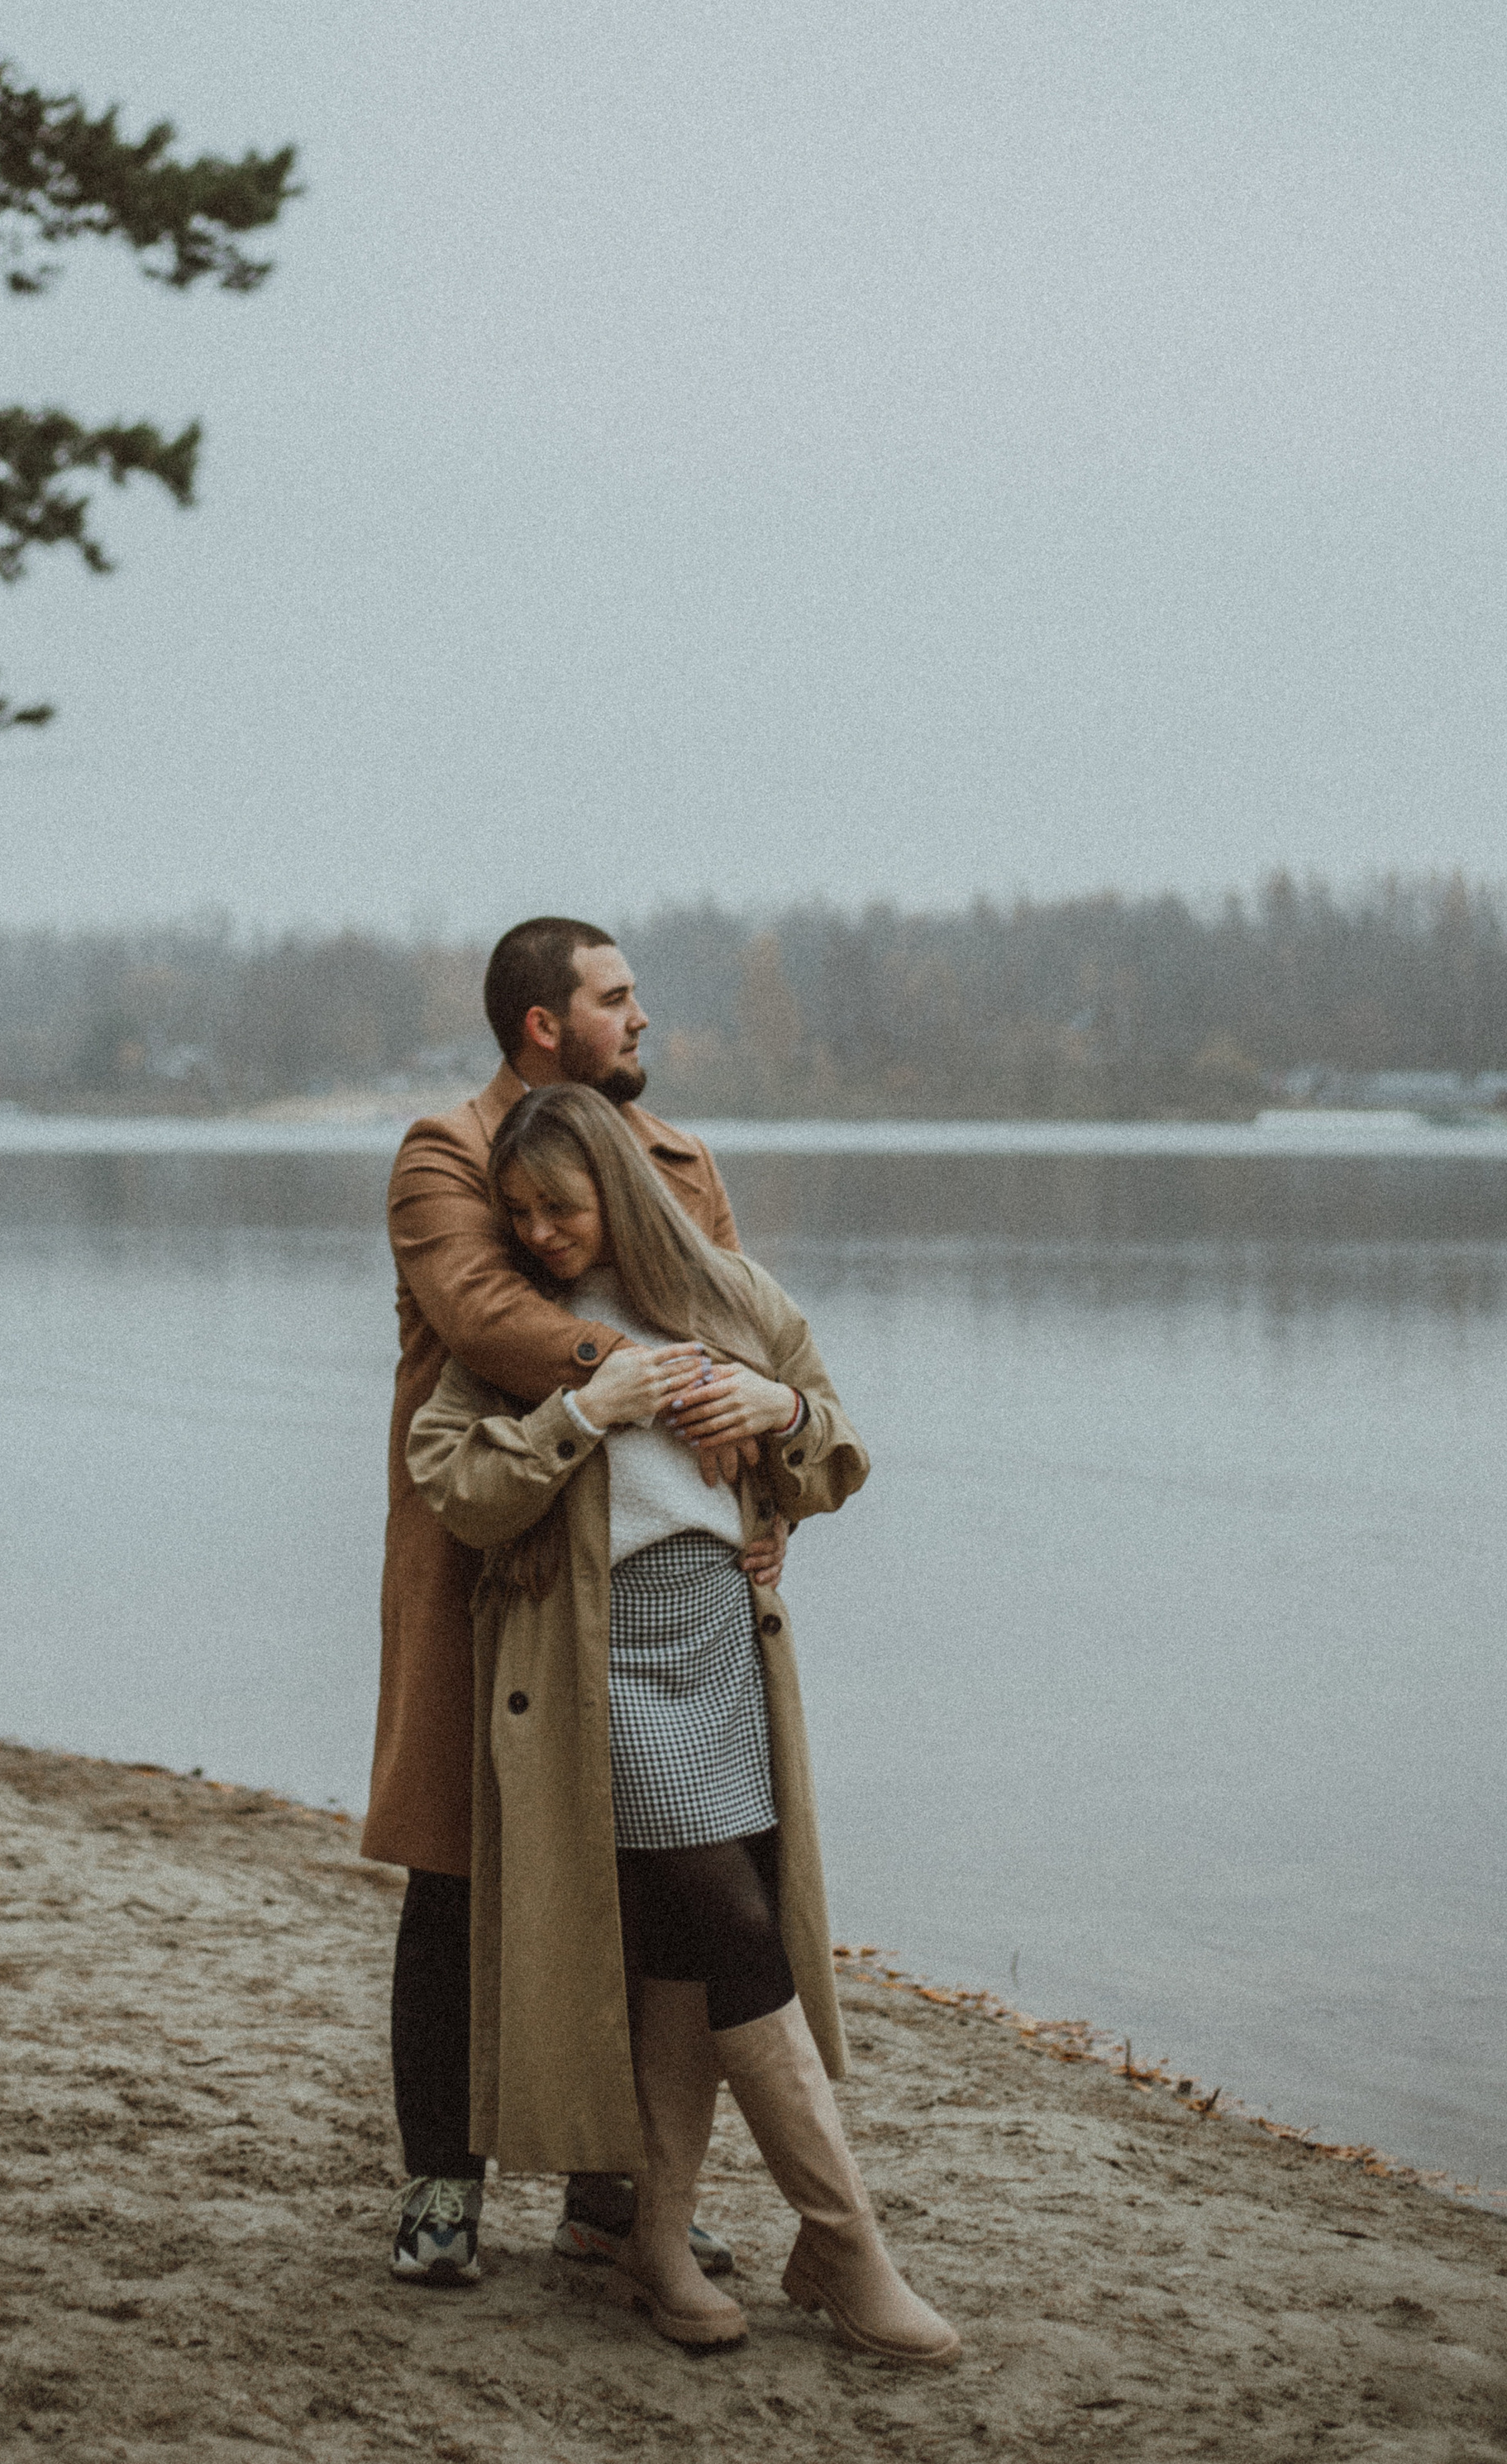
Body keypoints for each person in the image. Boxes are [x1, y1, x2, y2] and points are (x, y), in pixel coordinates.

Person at [407, 1083, 961, 2368]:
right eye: (521, 1213)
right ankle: (845, 2239)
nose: (541, 1233)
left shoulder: (729, 1295)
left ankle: (654, 2240)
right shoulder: (517, 1335)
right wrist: (582, 1413)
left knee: (681, 1946)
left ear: (621, 1187)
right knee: (731, 1917)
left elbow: (838, 1450)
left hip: (722, 1640)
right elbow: (455, 1486)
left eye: (564, 1206)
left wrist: (780, 1415)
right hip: (595, 1660)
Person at [364, 916, 778, 2287]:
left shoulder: (682, 1163)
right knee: (457, 1869)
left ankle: (614, 2197)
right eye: (615, 998)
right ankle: (440, 2189)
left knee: (643, 1876)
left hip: (660, 1584)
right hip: (487, 1559)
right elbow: (489, 1320)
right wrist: (661, 1375)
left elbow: (756, 1337)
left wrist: (765, 1488)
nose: (641, 1018)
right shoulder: (446, 1153)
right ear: (546, 1023)